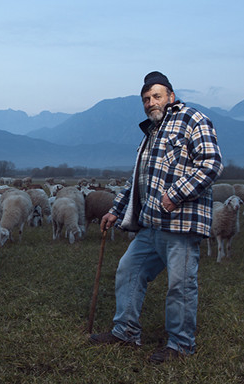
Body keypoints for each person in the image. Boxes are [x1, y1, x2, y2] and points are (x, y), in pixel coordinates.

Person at [89, 71, 224, 364]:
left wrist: (176, 192)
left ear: (171, 97)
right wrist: (116, 209)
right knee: (129, 270)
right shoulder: (151, 132)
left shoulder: (192, 120)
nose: (151, 102)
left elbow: (211, 164)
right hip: (152, 224)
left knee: (181, 285)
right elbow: (138, 179)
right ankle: (125, 331)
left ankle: (180, 345)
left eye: (157, 96)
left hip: (181, 224)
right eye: (146, 99)